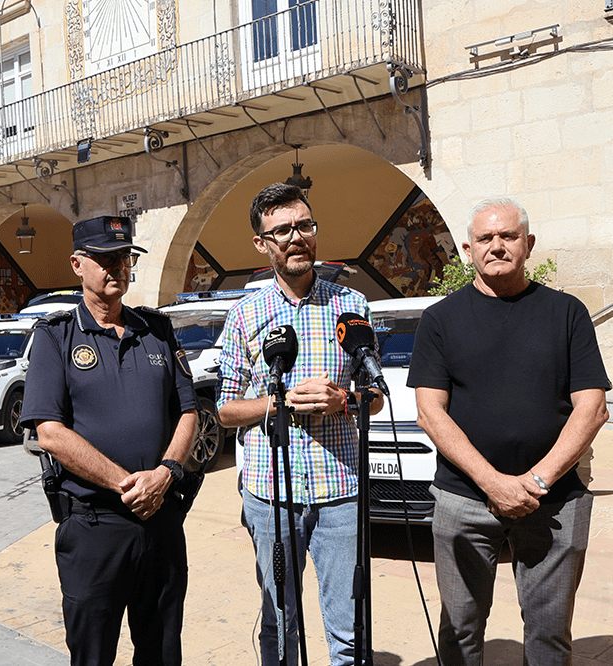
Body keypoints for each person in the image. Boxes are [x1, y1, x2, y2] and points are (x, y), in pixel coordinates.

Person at [407, 197, 609, 666]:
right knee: (459, 631)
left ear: (528, 243)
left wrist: (537, 481)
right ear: (467, 249)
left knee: (550, 635)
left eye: (508, 236)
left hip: (554, 500)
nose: (496, 246)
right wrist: (493, 483)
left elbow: (592, 408)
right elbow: (430, 413)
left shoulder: (567, 313)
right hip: (463, 499)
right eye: (485, 238)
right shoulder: (440, 320)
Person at [216, 183, 384, 666]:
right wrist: (281, 403)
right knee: (279, 623)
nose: (296, 237)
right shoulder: (244, 315)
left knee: (350, 627)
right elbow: (226, 410)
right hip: (271, 495)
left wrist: (343, 400)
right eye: (282, 230)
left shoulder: (352, 305)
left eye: (304, 226)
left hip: (341, 491)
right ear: (261, 243)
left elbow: (373, 397)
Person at [20, 215, 199, 666]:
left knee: (162, 653)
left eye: (124, 257)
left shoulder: (157, 330)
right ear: (77, 265)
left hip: (160, 521)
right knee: (93, 655)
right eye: (105, 258)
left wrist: (165, 474)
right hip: (95, 529)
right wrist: (129, 484)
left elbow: (189, 412)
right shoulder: (55, 336)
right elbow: (50, 433)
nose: (117, 267)